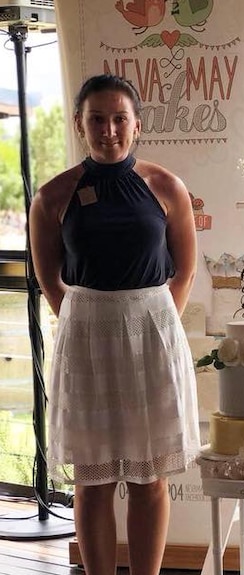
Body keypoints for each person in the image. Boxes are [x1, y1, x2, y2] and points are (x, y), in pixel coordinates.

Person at [28, 74, 199, 575]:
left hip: (153, 337)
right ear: (80, 125)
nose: (109, 130)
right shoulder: (53, 197)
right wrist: (93, 324)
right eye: (97, 119)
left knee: (151, 479)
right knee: (92, 479)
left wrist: (154, 326)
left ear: (137, 125)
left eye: (119, 118)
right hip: (86, 342)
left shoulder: (166, 186)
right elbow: (52, 283)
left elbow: (184, 271)